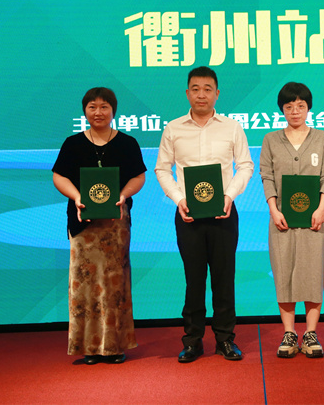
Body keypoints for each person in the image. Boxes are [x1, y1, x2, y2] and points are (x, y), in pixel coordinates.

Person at [155, 66, 254, 363]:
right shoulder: (173, 129)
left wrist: (229, 195)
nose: (201, 94)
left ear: (217, 93)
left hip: (224, 213)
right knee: (194, 280)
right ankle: (192, 341)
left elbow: (245, 165)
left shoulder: (232, 127)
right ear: (187, 93)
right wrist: (179, 198)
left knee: (224, 279)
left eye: (207, 89)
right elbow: (162, 168)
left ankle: (225, 339)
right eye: (196, 89)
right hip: (188, 215)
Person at [52, 87, 147, 365]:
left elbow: (138, 177)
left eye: (104, 106)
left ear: (113, 110)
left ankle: (114, 346)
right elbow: (59, 176)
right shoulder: (73, 143)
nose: (98, 112)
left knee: (115, 284)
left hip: (116, 225)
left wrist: (123, 195)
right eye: (92, 107)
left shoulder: (127, 143)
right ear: (84, 111)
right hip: (83, 224)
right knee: (84, 285)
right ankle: (89, 348)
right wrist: (77, 197)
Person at [259, 82, 324, 358]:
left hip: (315, 220)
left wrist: (322, 208)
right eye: (289, 106)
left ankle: (310, 333)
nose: (295, 111)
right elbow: (267, 176)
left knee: (313, 274)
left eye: (300, 106)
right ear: (282, 109)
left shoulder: (322, 138)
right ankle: (289, 333)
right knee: (284, 275)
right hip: (282, 220)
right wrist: (274, 209)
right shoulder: (270, 140)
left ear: (308, 108)